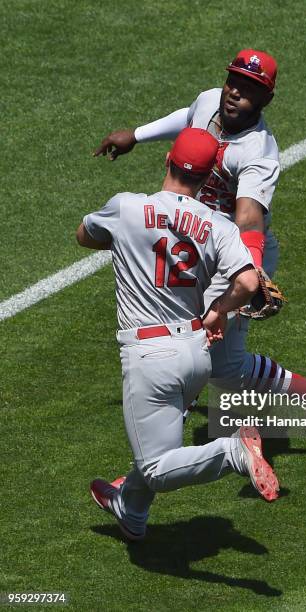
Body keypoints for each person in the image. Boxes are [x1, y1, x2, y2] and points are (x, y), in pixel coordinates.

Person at [94, 49, 306, 460]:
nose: (235, 92)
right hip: (202, 246)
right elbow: (188, 115)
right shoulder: (209, 101)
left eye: (250, 89)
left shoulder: (257, 153)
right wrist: (137, 134)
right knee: (223, 367)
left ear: (266, 99)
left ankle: (152, 469)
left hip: (235, 255)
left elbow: (250, 220)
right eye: (234, 81)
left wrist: (249, 275)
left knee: (191, 344)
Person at [77, 127, 279, 541]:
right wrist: (219, 311)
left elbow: (84, 236)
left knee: (157, 465)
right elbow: (246, 282)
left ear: (167, 159)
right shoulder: (219, 226)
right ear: (207, 179)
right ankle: (131, 511)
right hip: (196, 351)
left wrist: (130, 243)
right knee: (161, 436)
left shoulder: (127, 208)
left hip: (150, 356)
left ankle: (233, 453)